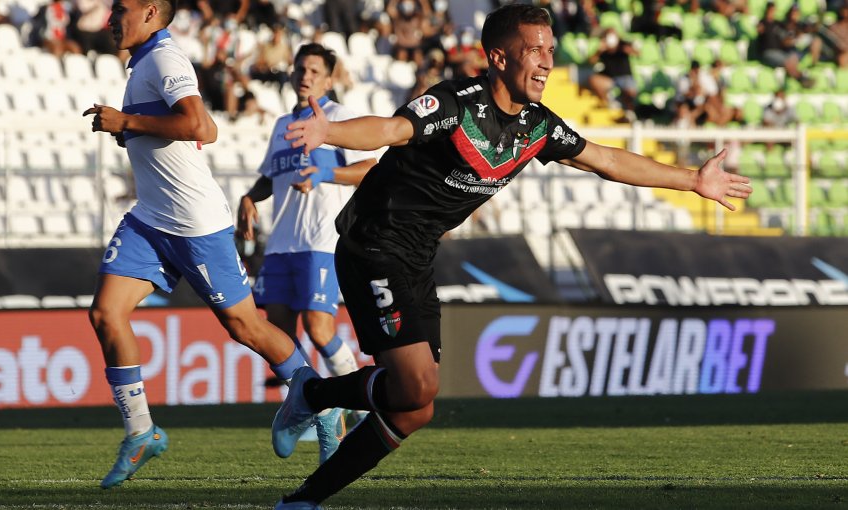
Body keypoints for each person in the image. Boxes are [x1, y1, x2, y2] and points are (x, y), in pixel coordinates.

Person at [271, 4, 753, 508]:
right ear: (498, 57)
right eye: (534, 50)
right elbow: (391, 131)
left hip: (418, 254)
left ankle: (304, 478)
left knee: (415, 408)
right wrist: (332, 133)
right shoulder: (457, 103)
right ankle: (312, 402)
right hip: (374, 241)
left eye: (551, 49)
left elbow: (606, 160)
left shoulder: (537, 126)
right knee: (415, 384)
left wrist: (693, 180)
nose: (547, 61)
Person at [81, 0, 337, 489]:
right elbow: (210, 127)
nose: (111, 19)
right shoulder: (145, 63)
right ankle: (141, 433)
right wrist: (130, 130)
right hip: (150, 219)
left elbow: (199, 127)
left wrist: (128, 124)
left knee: (245, 328)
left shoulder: (164, 59)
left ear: (151, 12)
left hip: (196, 224)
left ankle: (319, 401)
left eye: (121, 9)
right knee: (105, 314)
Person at [236, 42, 377, 458]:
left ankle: (361, 405)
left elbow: (370, 168)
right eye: (300, 68)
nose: (306, 76)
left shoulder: (337, 118)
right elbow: (269, 177)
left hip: (321, 240)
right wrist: (248, 197)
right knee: (278, 335)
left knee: (319, 327)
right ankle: (324, 405)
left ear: (329, 79)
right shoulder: (282, 124)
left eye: (315, 70)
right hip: (281, 245)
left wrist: (326, 173)